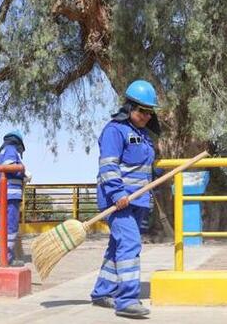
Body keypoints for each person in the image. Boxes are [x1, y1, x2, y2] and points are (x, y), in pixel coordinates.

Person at [90, 79, 161, 318]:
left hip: (138, 200)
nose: (146, 116)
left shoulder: (143, 135)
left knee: (117, 247)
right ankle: (127, 299)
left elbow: (144, 167)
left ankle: (102, 291)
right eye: (142, 111)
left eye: (149, 112)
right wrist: (118, 194)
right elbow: (108, 167)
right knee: (130, 244)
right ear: (129, 107)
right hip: (118, 201)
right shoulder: (114, 130)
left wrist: (160, 174)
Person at [0, 129, 31, 266]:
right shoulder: (10, 150)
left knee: (3, 226)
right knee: (11, 226)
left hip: (2, 194)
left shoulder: (1, 152)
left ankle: (0, 252)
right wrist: (24, 172)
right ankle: (7, 257)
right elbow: (11, 167)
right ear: (18, 142)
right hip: (11, 194)